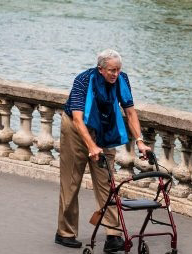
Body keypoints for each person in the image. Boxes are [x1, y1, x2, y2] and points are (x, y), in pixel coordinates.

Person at [55, 49, 150, 253]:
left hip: (104, 128)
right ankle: (65, 232)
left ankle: (113, 235)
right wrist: (91, 146)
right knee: (71, 180)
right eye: (111, 70)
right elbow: (79, 119)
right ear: (100, 69)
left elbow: (130, 112)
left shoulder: (122, 80)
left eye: (118, 69)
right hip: (75, 128)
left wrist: (140, 141)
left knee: (108, 182)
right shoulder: (83, 80)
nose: (115, 74)